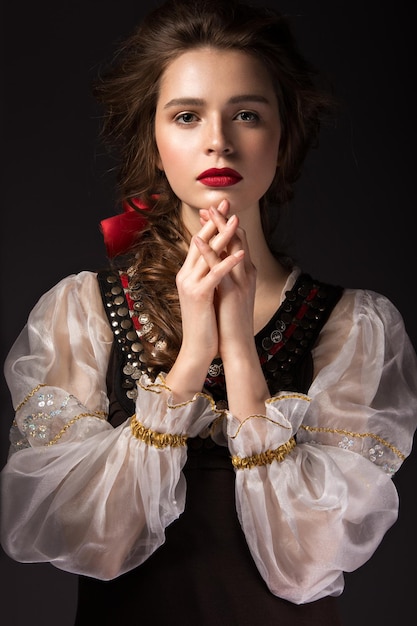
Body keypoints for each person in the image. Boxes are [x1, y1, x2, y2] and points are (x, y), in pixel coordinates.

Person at [1, 0, 417, 624]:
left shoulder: (352, 325)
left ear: (284, 135)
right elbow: (91, 541)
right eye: (188, 116)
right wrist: (193, 355)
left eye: (246, 114)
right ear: (155, 138)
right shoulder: (81, 311)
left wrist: (241, 355)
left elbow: (312, 563)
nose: (218, 140)